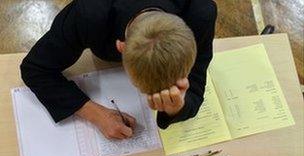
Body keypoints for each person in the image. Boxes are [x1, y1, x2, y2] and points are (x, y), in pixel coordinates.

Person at [20, 0, 217, 140]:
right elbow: (35, 68)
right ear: (120, 47)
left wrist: (178, 107)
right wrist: (93, 112)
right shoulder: (89, 13)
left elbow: (196, 86)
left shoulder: (200, 12)